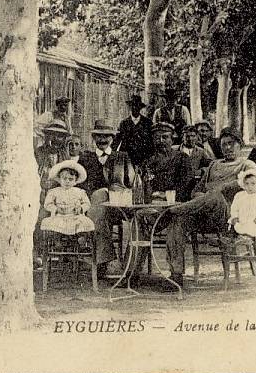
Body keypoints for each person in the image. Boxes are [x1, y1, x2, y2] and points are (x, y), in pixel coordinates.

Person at [163, 127, 256, 287]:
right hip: (205, 213)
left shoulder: (246, 165)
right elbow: (196, 190)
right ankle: (176, 274)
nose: (227, 147)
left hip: (229, 216)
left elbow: (254, 183)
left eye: (231, 144)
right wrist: (200, 196)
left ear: (240, 145)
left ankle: (173, 209)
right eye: (224, 144)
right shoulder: (213, 165)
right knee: (178, 220)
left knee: (215, 196)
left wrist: (222, 188)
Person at [77, 119, 136, 278]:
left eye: (106, 137)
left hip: (118, 207)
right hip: (93, 208)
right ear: (93, 138)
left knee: (101, 195)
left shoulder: (122, 157)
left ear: (112, 138)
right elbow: (80, 185)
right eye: (98, 136)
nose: (102, 140)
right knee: (98, 201)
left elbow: (131, 183)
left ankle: (102, 259)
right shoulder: (85, 158)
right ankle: (108, 260)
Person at [142, 122, 195, 202]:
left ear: (172, 140)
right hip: (153, 203)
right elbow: (145, 186)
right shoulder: (148, 162)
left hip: (177, 203)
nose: (161, 141)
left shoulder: (182, 158)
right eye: (157, 138)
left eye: (165, 137)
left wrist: (166, 195)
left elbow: (187, 184)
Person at [40, 160, 95, 237]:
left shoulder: (80, 192)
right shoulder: (54, 191)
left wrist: (81, 208)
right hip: (59, 216)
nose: (67, 181)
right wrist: (55, 209)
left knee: (83, 223)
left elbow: (87, 203)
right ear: (59, 179)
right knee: (53, 224)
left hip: (75, 216)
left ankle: (78, 242)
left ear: (75, 180)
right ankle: (58, 242)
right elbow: (48, 204)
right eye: (64, 178)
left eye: (70, 179)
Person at [112, 94, 153, 166]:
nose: (135, 108)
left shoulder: (147, 123)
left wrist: (151, 156)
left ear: (140, 108)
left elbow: (151, 141)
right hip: (128, 158)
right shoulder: (124, 123)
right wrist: (111, 154)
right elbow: (117, 140)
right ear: (130, 107)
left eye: (137, 106)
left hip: (143, 158)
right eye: (133, 106)